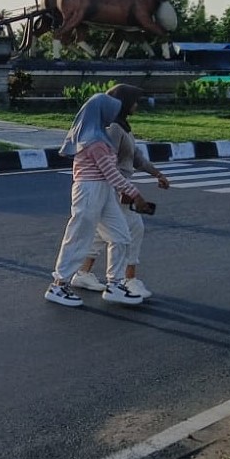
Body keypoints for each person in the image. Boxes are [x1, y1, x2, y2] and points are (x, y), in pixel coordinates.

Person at [44, 90, 151, 307]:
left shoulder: (100, 135)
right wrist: (135, 195)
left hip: (103, 191)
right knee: (79, 238)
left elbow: (110, 175)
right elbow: (110, 172)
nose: (115, 113)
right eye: (111, 110)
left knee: (121, 235)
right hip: (90, 190)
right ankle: (58, 285)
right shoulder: (94, 140)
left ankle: (115, 285)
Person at [70, 84, 171, 299]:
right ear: (122, 103)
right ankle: (128, 279)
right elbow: (109, 163)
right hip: (117, 187)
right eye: (134, 101)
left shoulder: (124, 126)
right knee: (133, 230)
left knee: (101, 233)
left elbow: (136, 157)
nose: (136, 105)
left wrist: (157, 174)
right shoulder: (114, 129)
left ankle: (82, 273)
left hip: (119, 185)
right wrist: (125, 191)